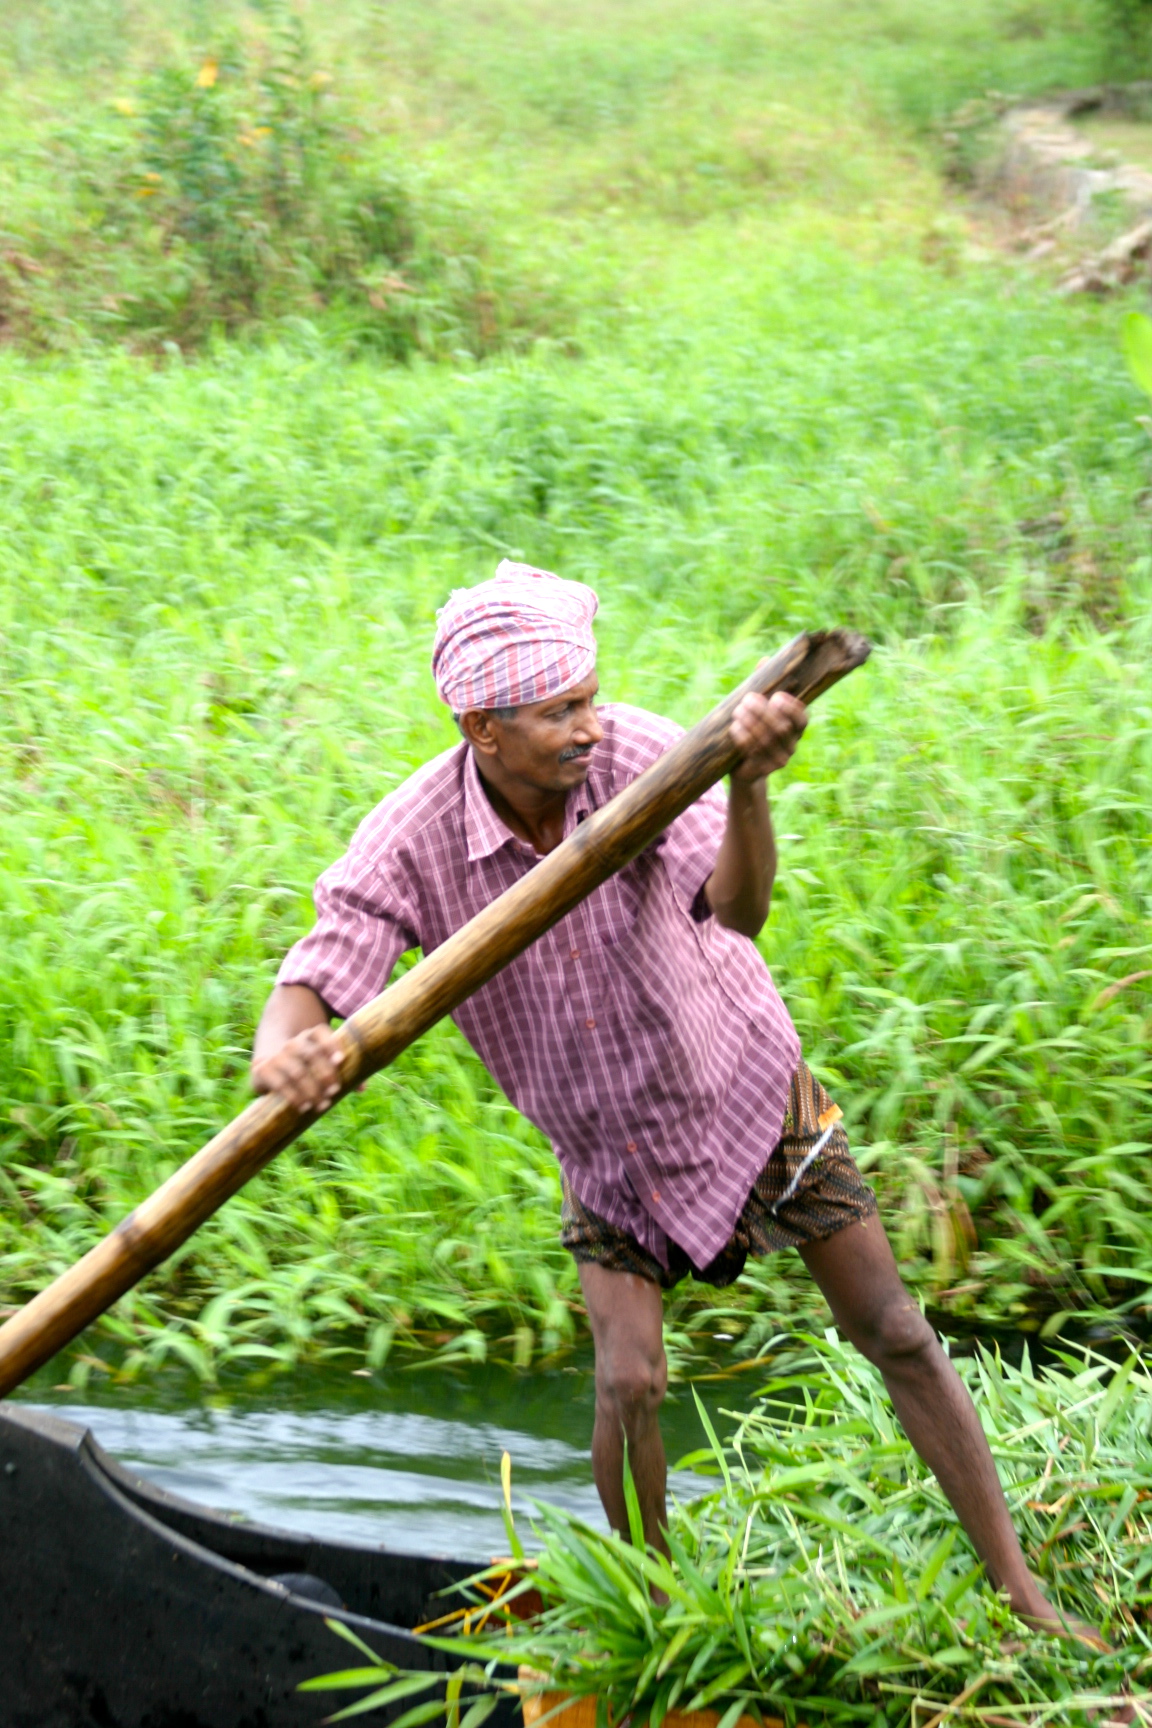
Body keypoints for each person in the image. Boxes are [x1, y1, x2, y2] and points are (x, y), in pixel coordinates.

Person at [251, 561, 1059, 1627]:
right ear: (479, 729)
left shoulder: (641, 756)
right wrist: (288, 1052)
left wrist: (747, 784)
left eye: (589, 696)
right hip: (607, 1148)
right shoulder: (414, 836)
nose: (587, 725)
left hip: (744, 1089)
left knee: (894, 1328)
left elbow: (742, 911)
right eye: (557, 712)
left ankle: (1022, 1593)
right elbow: (319, 970)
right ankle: (659, 1623)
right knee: (627, 1383)